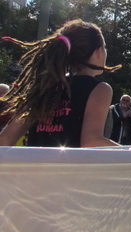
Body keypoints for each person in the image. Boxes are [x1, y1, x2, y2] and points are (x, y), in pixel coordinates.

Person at [0, 20, 121, 148]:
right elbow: (91, 142)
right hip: (72, 161)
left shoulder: (42, 88)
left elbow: (5, 139)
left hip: (36, 161)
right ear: (98, 52)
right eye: (105, 47)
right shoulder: (100, 89)